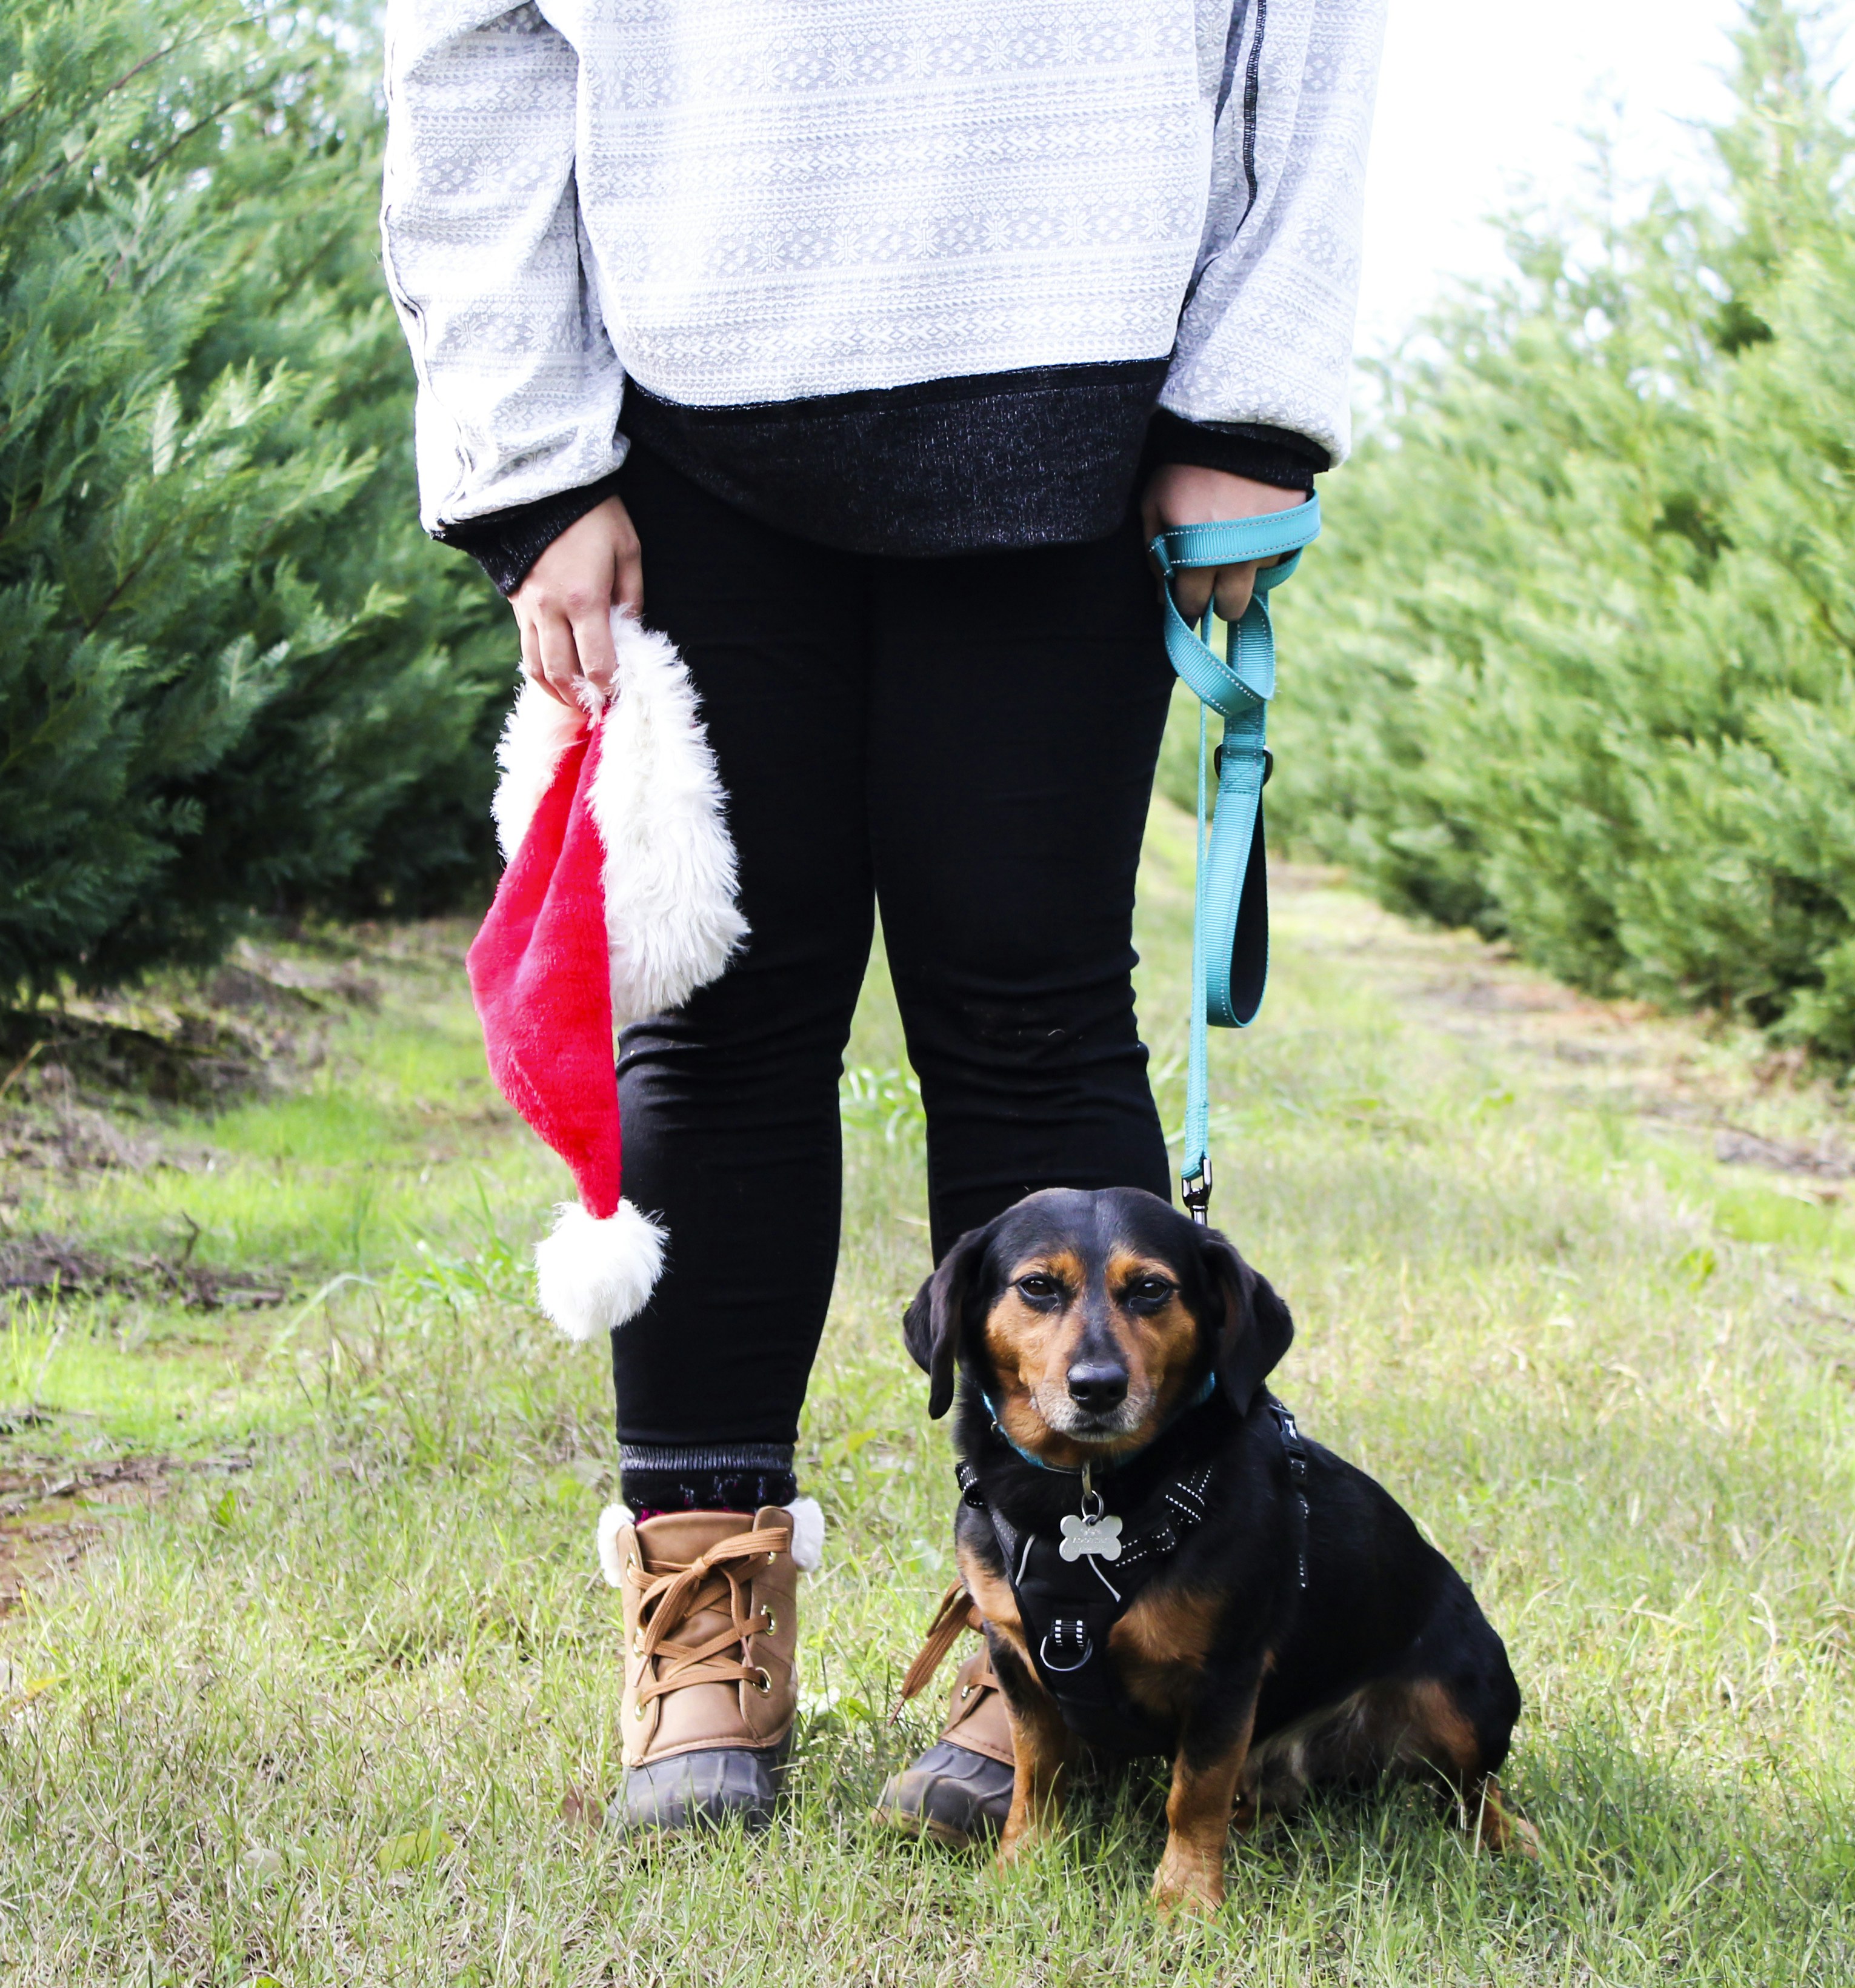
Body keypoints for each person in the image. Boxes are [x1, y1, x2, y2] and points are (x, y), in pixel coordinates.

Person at [382, 0, 1385, 1832]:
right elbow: (477, 40)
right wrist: (531, 450)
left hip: (1079, 362)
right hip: (684, 400)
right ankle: (705, 1619)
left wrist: (1256, 391)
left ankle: (1066, 1629)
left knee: (1030, 1005)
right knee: (719, 1016)